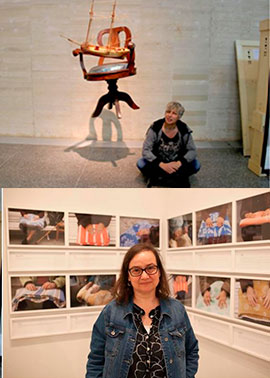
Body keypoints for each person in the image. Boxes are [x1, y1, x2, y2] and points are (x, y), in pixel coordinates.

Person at [85, 243, 199, 378]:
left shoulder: (177, 310)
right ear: (128, 276)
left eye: (150, 268)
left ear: (159, 272)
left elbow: (191, 351)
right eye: (136, 270)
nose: (144, 276)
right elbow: (96, 361)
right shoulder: (111, 312)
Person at [137, 102, 200, 188]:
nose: (169, 115)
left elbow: (192, 150)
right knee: (141, 163)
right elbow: (146, 150)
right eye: (168, 112)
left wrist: (179, 163)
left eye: (174, 113)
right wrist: (162, 165)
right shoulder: (156, 127)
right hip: (159, 161)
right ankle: (174, 176)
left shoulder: (184, 129)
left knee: (196, 165)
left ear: (179, 117)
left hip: (177, 162)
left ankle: (161, 177)